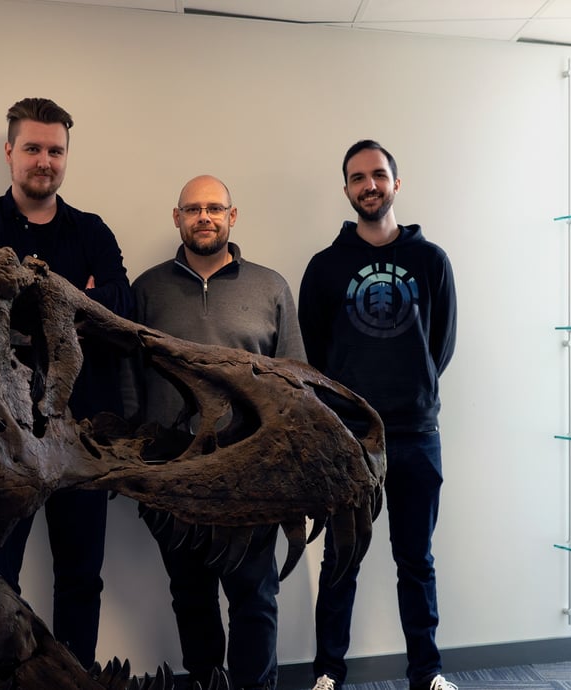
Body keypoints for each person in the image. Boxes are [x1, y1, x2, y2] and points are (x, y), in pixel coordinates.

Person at [0, 97, 132, 669]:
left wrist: (29, 303)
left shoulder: (93, 232)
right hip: (3, 439)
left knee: (81, 578)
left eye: (55, 150)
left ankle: (74, 679)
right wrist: (72, 298)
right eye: (32, 148)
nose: (44, 161)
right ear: (10, 153)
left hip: (81, 438)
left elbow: (121, 313)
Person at [130, 174, 306, 690]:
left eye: (214, 208)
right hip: (173, 474)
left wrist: (286, 468)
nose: (203, 217)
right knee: (190, 594)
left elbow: (295, 381)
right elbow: (128, 380)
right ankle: (208, 681)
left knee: (254, 596)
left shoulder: (270, 286)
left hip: (252, 473)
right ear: (177, 217)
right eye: (192, 209)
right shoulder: (147, 289)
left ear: (232, 216)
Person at [298, 140, 457, 690]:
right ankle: (327, 674)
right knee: (340, 562)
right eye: (358, 177)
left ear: (396, 182)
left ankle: (427, 674)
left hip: (415, 434)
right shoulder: (324, 268)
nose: (369, 185)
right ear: (346, 189)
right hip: (348, 438)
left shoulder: (431, 260)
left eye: (379, 175)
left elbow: (441, 346)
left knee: (416, 561)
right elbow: (314, 356)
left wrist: (410, 390)